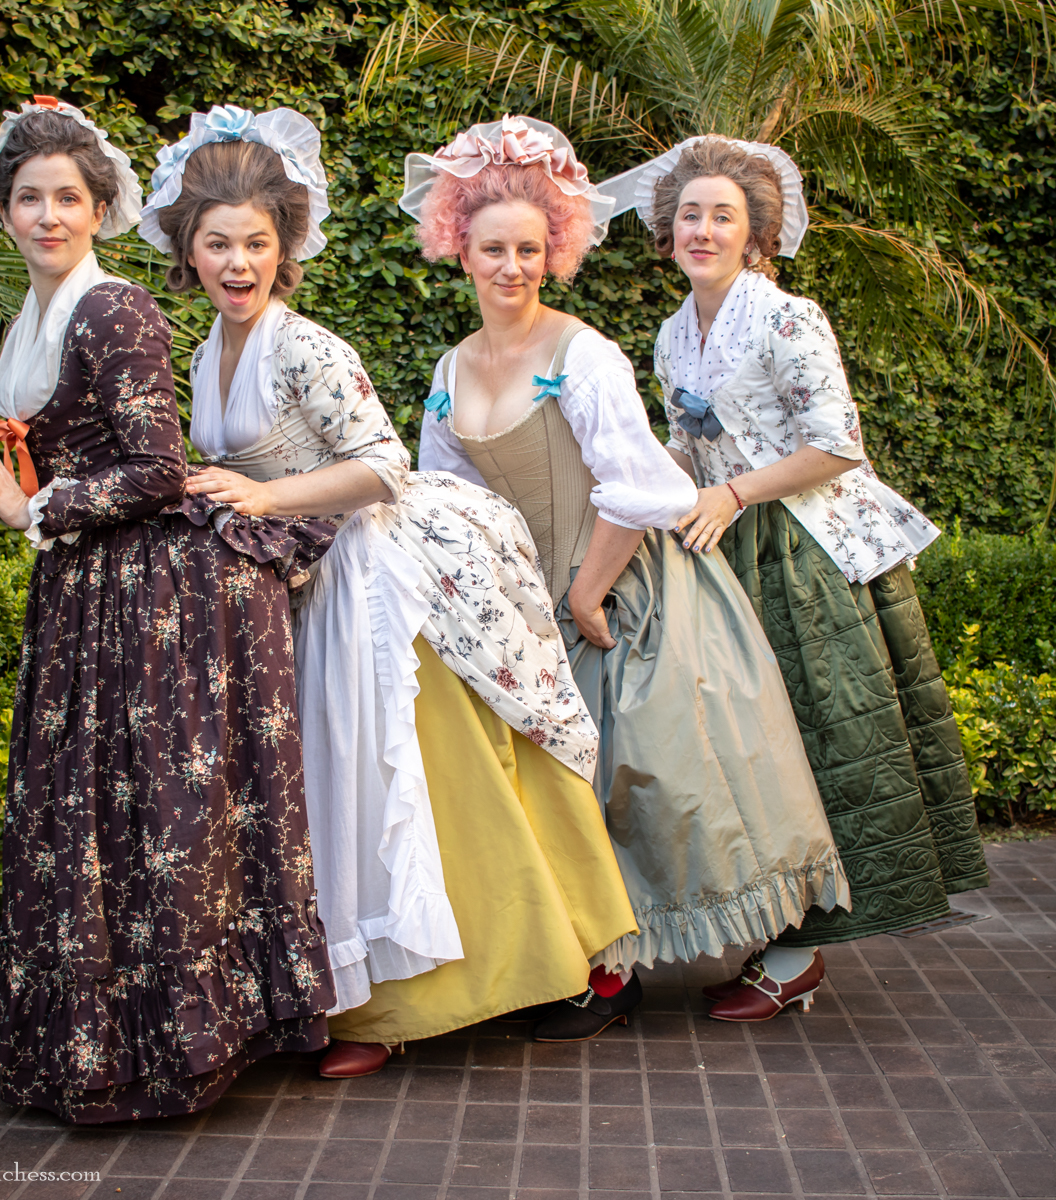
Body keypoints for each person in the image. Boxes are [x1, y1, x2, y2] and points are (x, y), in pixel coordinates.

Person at [137, 106, 637, 1077]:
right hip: (290, 589)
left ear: (284, 250)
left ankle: (399, 1007)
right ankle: (346, 994)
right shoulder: (201, 356)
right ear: (188, 251)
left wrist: (265, 495)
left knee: (387, 778)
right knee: (323, 790)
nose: (239, 263)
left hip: (367, 579)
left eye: (257, 243)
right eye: (219, 244)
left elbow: (382, 463)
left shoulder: (306, 347)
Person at [411, 116, 849, 1038]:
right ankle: (593, 967)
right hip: (534, 602)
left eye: (530, 250)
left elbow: (639, 487)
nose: (512, 267)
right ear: (459, 249)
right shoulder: (451, 369)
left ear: (555, 252)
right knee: (558, 786)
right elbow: (450, 504)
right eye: (493, 249)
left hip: (623, 587)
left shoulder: (583, 354)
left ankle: (687, 963)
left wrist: (584, 591)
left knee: (659, 781)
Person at [0, 98, 334, 1122]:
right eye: (28, 198)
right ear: (3, 210)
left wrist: (39, 508)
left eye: (66, 198)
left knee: (145, 808)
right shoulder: (34, 316)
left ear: (100, 209)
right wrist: (36, 502)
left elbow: (157, 467)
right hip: (87, 583)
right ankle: (106, 1035)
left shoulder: (113, 308)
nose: (47, 215)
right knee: (87, 806)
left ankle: (168, 1044)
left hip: (152, 592)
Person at [598, 135, 989, 1019]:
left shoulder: (787, 318)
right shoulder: (671, 333)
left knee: (820, 738)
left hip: (807, 552)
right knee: (751, 748)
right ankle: (775, 922)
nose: (703, 230)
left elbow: (837, 446)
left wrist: (734, 492)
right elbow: (687, 447)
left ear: (755, 234)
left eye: (722, 217)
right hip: (722, 546)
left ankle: (802, 951)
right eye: (689, 215)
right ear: (667, 230)